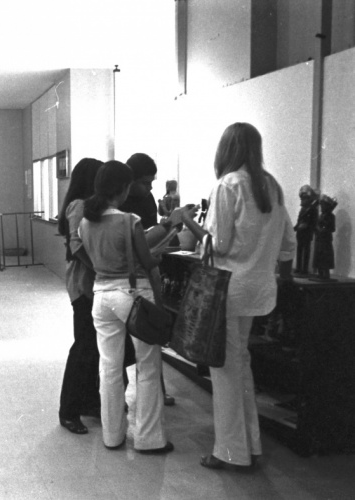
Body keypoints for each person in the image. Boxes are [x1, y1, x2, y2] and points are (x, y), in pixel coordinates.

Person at [181, 122, 295, 469]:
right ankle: (251, 445)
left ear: (226, 149)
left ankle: (230, 452)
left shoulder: (228, 185)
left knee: (226, 370)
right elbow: (289, 244)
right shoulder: (271, 186)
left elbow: (219, 244)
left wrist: (189, 221)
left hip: (229, 290)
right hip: (259, 290)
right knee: (240, 366)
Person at [79, 161, 172, 454]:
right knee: (147, 366)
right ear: (123, 188)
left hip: (101, 297)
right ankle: (148, 438)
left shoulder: (86, 221)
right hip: (132, 295)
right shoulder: (128, 220)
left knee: (108, 368)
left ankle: (112, 436)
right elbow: (147, 261)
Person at [119, 153, 175, 406]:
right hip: (126, 278)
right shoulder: (119, 199)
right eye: (145, 182)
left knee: (151, 335)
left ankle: (157, 393)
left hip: (147, 272)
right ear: (130, 180)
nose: (150, 187)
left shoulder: (147, 198)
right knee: (123, 342)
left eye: (152, 182)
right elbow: (134, 242)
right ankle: (120, 395)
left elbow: (150, 235)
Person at [56, 158, 104, 434]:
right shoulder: (79, 206)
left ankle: (88, 401)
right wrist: (100, 267)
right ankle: (69, 410)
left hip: (92, 284)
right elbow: (77, 247)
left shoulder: (91, 206)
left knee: (92, 348)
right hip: (83, 285)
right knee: (83, 347)